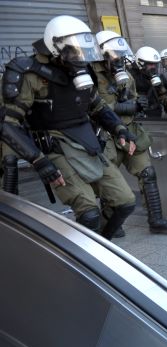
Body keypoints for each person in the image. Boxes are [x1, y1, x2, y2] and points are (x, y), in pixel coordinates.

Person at [0, 15, 136, 239]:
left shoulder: (83, 69)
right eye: (72, 50)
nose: (79, 56)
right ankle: (85, 260)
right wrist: (39, 161)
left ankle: (102, 245)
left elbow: (98, 107)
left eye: (81, 49)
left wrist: (120, 130)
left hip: (87, 142)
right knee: (89, 213)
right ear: (55, 47)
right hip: (54, 146)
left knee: (125, 203)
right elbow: (8, 125)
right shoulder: (30, 73)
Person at [94, 31, 167, 237]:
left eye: (121, 54)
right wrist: (127, 106)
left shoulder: (126, 75)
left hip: (129, 130)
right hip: (105, 133)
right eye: (115, 54)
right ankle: (111, 222)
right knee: (109, 179)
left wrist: (138, 105)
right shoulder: (91, 76)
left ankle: (156, 219)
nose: (119, 58)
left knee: (147, 173)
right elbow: (97, 106)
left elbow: (132, 99)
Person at [129, 46, 167, 117]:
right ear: (141, 63)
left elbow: (162, 94)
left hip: (155, 115)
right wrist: (136, 101)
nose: (153, 67)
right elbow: (125, 97)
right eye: (150, 64)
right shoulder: (131, 77)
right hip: (138, 117)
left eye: (155, 64)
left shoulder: (157, 77)